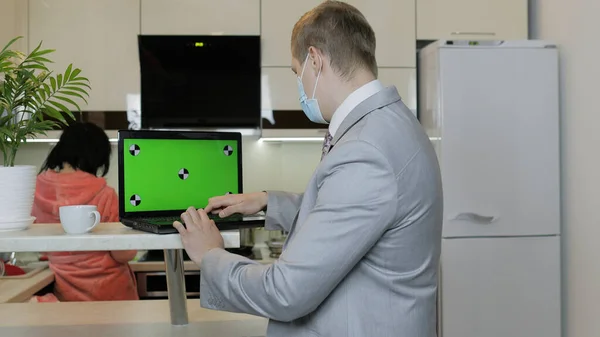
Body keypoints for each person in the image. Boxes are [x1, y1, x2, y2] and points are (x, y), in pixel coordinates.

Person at [173, 1, 442, 336]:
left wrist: (210, 254)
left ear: (315, 60)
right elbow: (354, 212)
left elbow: (285, 292)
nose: (299, 83)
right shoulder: (393, 123)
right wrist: (269, 200)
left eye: (296, 71)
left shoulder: (365, 151)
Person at [31, 122, 138, 302]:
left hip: (63, 289)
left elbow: (41, 247)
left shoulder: (36, 191)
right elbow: (123, 253)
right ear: (98, 156)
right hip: (110, 290)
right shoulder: (105, 194)